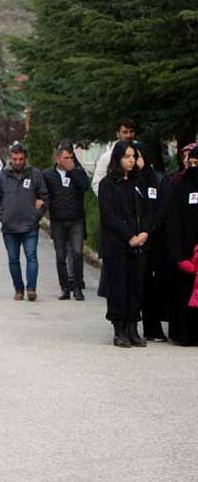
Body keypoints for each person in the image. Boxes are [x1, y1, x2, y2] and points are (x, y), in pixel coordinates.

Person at [98, 141, 151, 347]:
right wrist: (129, 236)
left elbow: (146, 210)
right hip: (117, 245)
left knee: (136, 286)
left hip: (139, 244)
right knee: (119, 287)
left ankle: (133, 327)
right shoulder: (108, 184)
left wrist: (145, 231)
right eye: (127, 156)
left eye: (133, 156)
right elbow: (108, 216)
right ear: (118, 158)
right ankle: (119, 329)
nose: (131, 160)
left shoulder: (139, 182)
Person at [0, 143, 49, 301]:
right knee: (13, 259)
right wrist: (2, 216)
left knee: (31, 256)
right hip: (9, 227)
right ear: (10, 158)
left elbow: (44, 197)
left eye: (21, 159)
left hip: (30, 225)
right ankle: (19, 289)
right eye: (15, 159)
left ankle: (31, 288)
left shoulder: (35, 174)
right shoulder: (1, 176)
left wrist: (37, 214)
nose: (18, 162)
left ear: (25, 159)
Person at [43, 141, 90, 300]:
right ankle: (65, 288)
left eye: (71, 157)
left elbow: (85, 187)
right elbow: (44, 194)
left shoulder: (77, 171)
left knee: (77, 253)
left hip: (76, 219)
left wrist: (74, 172)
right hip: (58, 220)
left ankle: (77, 286)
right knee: (60, 255)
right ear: (58, 159)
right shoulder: (48, 175)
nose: (69, 160)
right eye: (66, 158)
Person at [137, 143, 171, 341]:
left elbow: (163, 208)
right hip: (139, 240)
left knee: (160, 285)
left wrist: (149, 229)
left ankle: (160, 325)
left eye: (138, 156)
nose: (134, 160)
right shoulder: (132, 180)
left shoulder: (159, 180)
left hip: (158, 240)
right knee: (144, 285)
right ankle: (150, 327)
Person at [167, 146, 198, 346]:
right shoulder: (179, 186)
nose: (194, 168)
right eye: (191, 164)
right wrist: (178, 256)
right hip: (186, 253)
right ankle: (182, 333)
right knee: (183, 293)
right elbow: (174, 223)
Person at [92, 118, 137, 195]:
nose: (129, 135)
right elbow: (97, 184)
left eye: (131, 132)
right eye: (125, 132)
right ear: (118, 134)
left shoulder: (141, 153)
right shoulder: (106, 157)